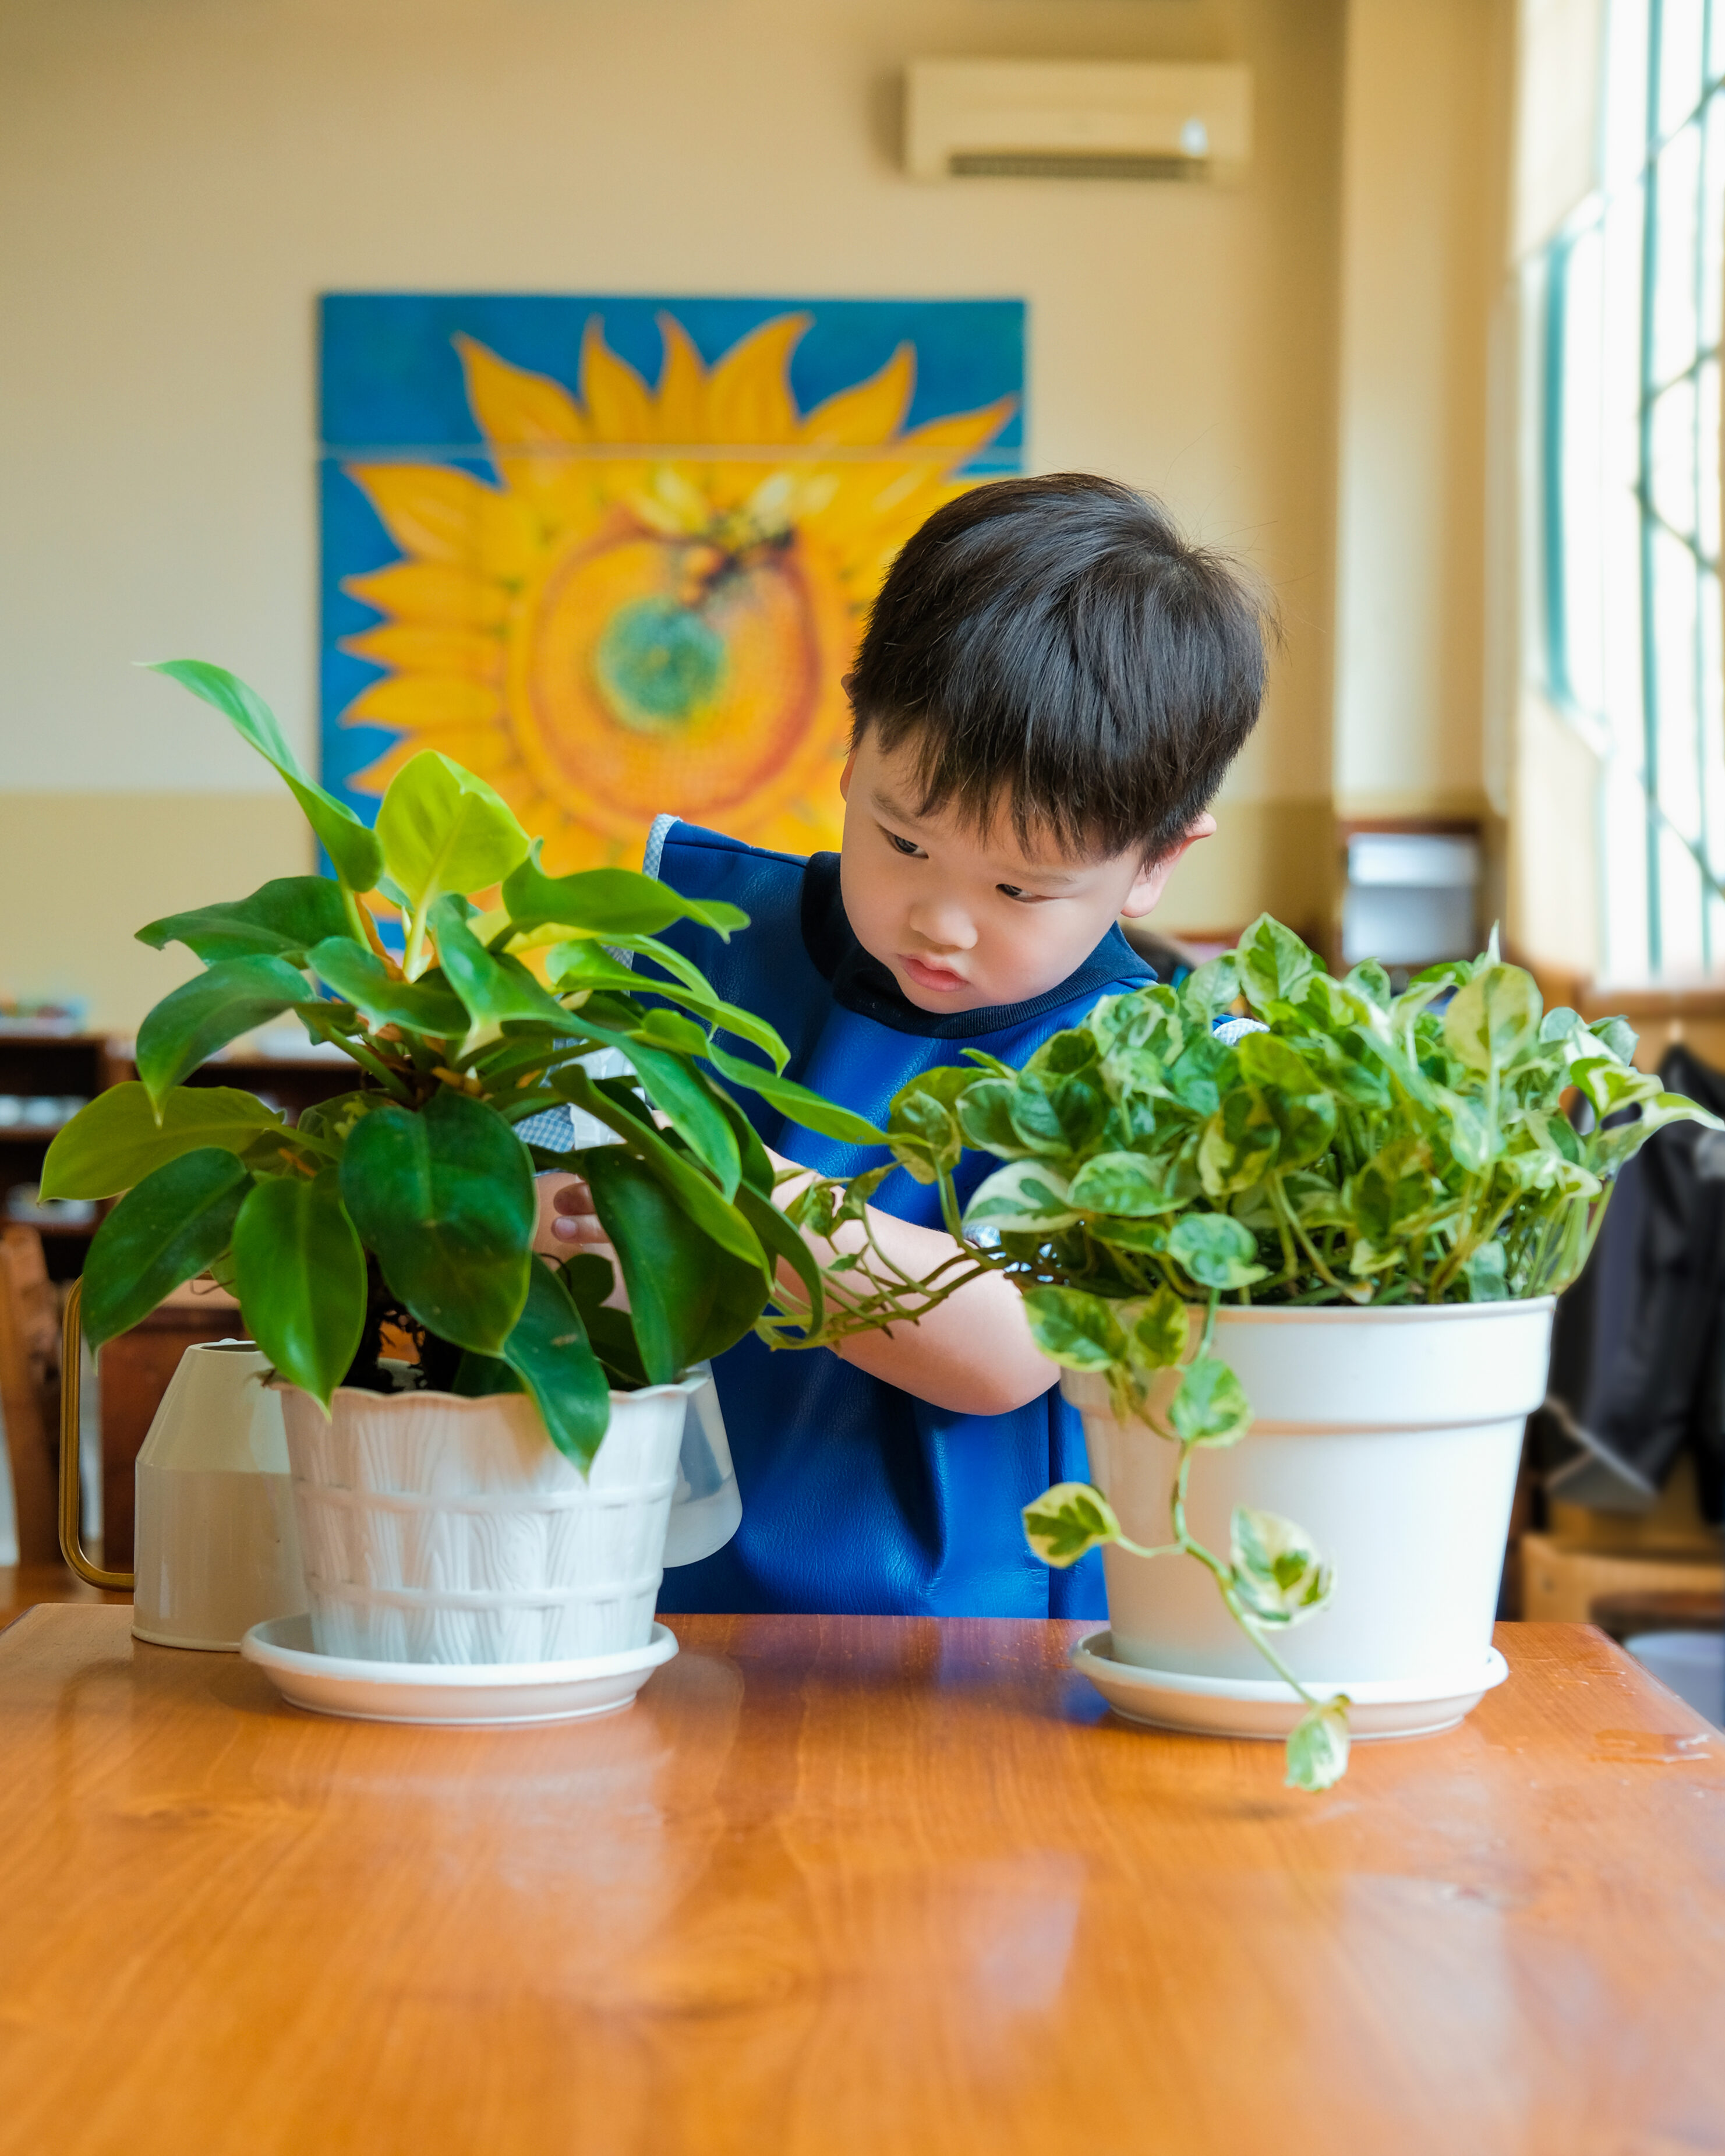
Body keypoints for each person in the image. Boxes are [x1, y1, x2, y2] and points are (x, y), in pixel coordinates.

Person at [534, 473, 1272, 1616]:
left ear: (1155, 863)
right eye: (903, 841)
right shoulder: (703, 929)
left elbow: (1008, 1345)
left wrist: (729, 1196)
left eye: (1020, 886)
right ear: (851, 749)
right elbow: (554, 1118)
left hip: (960, 1653)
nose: (943, 919)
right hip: (649, 1599)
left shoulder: (1147, 1065)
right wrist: (540, 1186)